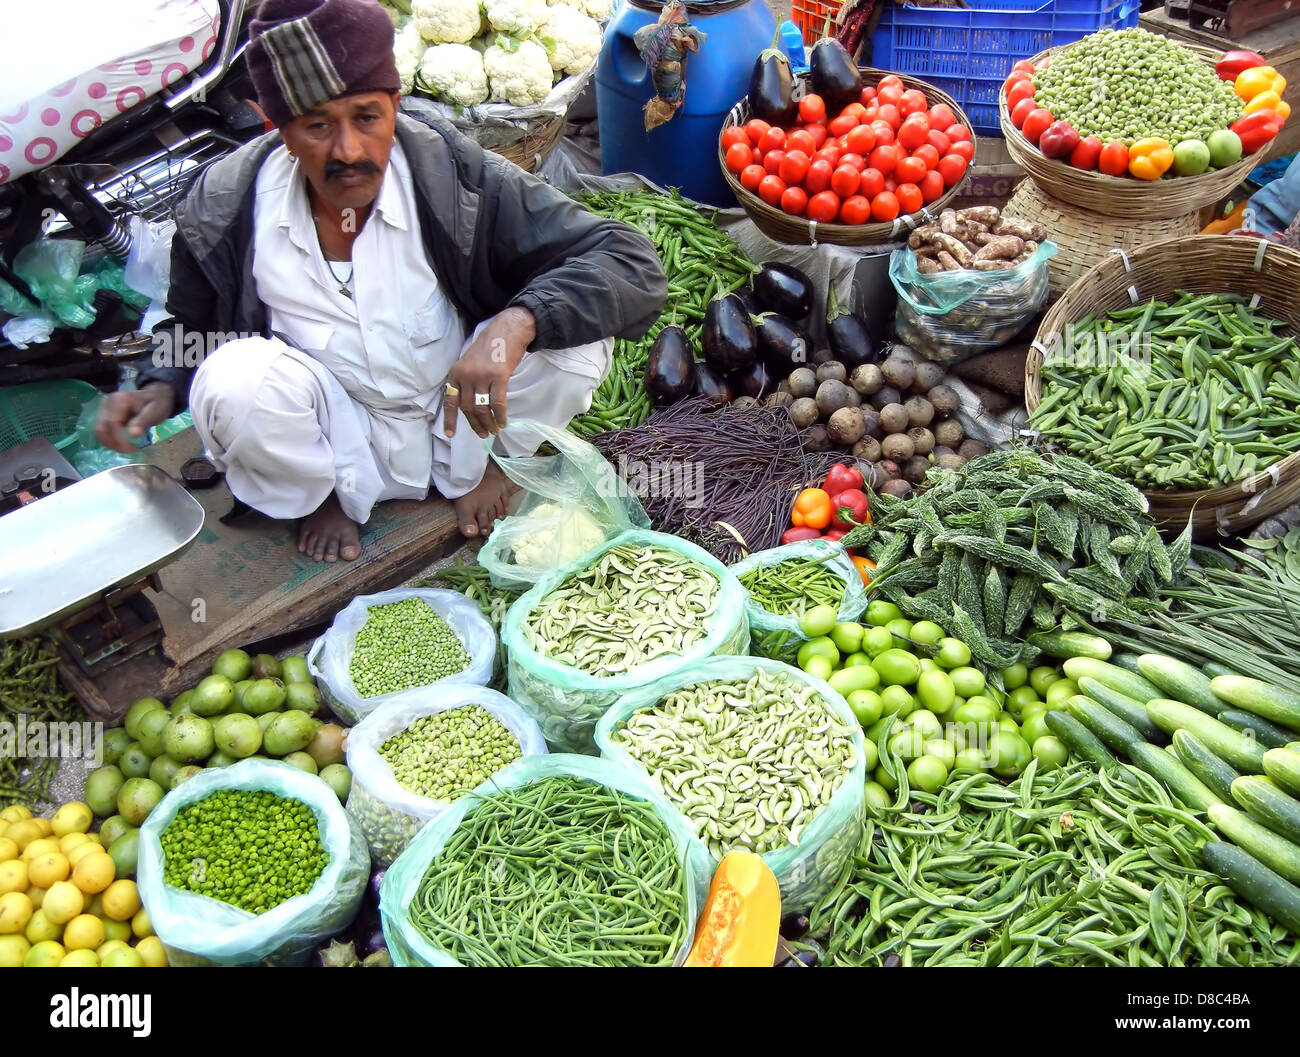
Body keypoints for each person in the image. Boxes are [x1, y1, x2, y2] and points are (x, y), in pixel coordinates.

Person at [95, 0, 666, 562]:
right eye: (317, 126)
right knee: (233, 381)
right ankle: (316, 496)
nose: (348, 151)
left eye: (367, 118)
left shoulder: (455, 177)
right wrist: (159, 383)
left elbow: (627, 261)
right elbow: (193, 329)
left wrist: (513, 326)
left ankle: (489, 466)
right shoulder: (225, 207)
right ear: (278, 128)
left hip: (464, 410)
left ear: (395, 105)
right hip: (340, 433)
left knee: (576, 332)